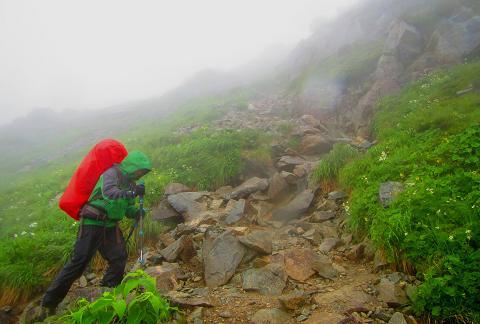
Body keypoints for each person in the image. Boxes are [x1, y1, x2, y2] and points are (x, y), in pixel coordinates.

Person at [41, 150, 152, 313]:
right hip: (93, 221)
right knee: (79, 262)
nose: (140, 174)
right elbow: (109, 193)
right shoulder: (112, 172)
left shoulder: (132, 184)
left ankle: (107, 293)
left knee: (119, 258)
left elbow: (127, 207)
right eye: (140, 170)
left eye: (143, 172)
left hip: (110, 225)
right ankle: (49, 303)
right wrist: (132, 192)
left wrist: (136, 212)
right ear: (133, 166)